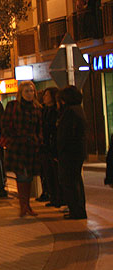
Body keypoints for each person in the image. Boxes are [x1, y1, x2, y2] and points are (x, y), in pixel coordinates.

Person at [1, 81, 43, 217]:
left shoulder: (37, 108)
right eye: (27, 91)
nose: (30, 94)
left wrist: (37, 140)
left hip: (32, 147)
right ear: (21, 93)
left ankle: (26, 205)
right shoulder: (13, 106)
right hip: (18, 146)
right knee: (22, 175)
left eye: (31, 91)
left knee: (28, 176)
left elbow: (39, 128)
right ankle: (23, 205)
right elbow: (5, 125)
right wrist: (12, 139)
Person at [56, 86, 88, 219]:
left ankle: (76, 210)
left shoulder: (70, 112)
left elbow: (66, 134)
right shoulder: (78, 110)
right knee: (75, 180)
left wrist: (59, 150)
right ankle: (78, 209)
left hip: (70, 153)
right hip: (76, 151)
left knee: (70, 181)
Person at [41, 87, 63, 207]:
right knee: (48, 174)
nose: (44, 98)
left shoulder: (56, 111)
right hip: (46, 147)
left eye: (47, 95)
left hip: (52, 147)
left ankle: (58, 198)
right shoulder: (44, 110)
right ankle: (53, 197)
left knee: (55, 175)